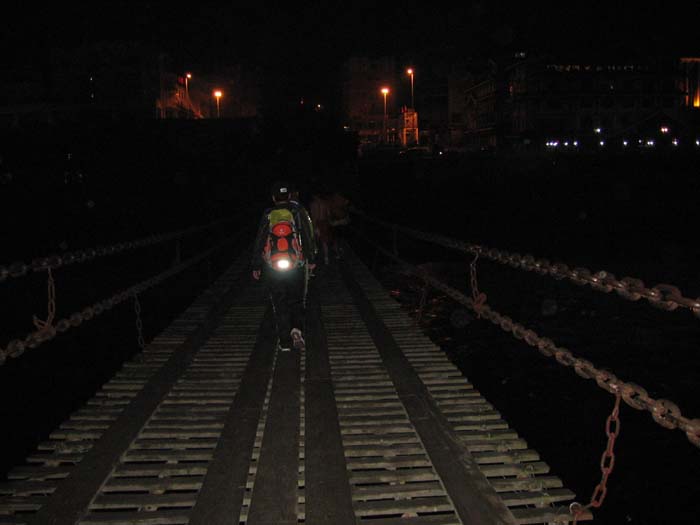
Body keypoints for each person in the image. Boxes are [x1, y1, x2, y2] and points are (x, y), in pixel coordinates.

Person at [251, 181, 316, 351]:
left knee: (279, 302)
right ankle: (296, 330)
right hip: (296, 264)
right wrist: (311, 259)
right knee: (296, 299)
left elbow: (260, 239)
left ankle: (285, 341)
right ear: (289, 196)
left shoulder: (268, 214)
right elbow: (308, 235)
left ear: (273, 198)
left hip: (273, 266)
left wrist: (256, 265)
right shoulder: (298, 211)